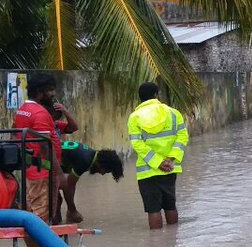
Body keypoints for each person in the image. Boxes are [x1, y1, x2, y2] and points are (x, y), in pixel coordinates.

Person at [12, 74, 74, 235]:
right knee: (42, 216)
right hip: (43, 173)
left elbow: (14, 135)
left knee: (32, 212)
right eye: (51, 90)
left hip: (31, 169)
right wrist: (59, 174)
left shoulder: (22, 110)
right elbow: (45, 145)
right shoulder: (39, 113)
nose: (54, 94)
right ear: (41, 91)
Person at [129, 82, 188, 229]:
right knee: (170, 205)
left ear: (140, 98)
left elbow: (137, 144)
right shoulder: (174, 113)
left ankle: (157, 246)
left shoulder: (134, 117)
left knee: (153, 209)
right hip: (170, 168)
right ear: (156, 95)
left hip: (147, 171)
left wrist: (157, 162)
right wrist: (170, 159)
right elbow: (182, 137)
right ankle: (172, 241)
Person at [56, 141, 124, 224]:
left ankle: (55, 227)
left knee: (57, 200)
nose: (102, 174)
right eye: (105, 171)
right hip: (39, 162)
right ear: (102, 164)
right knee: (56, 200)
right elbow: (69, 185)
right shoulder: (85, 161)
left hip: (45, 160)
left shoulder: (89, 153)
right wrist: (72, 210)